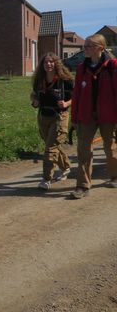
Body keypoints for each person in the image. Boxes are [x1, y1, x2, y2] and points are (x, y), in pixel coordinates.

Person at [69, 34, 117, 199]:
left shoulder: (113, 66)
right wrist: (74, 117)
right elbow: (76, 95)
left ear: (100, 48)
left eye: (89, 46)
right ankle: (82, 186)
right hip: (86, 115)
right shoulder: (82, 68)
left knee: (110, 146)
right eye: (85, 45)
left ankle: (115, 176)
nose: (85, 48)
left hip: (108, 114)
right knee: (83, 149)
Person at [30, 53, 74, 190]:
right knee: (53, 145)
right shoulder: (39, 80)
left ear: (56, 63)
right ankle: (66, 167)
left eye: (51, 62)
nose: (48, 64)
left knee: (50, 149)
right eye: (45, 63)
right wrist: (35, 102)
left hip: (59, 116)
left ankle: (46, 178)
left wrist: (66, 103)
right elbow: (34, 96)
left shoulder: (65, 80)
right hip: (43, 116)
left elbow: (77, 97)